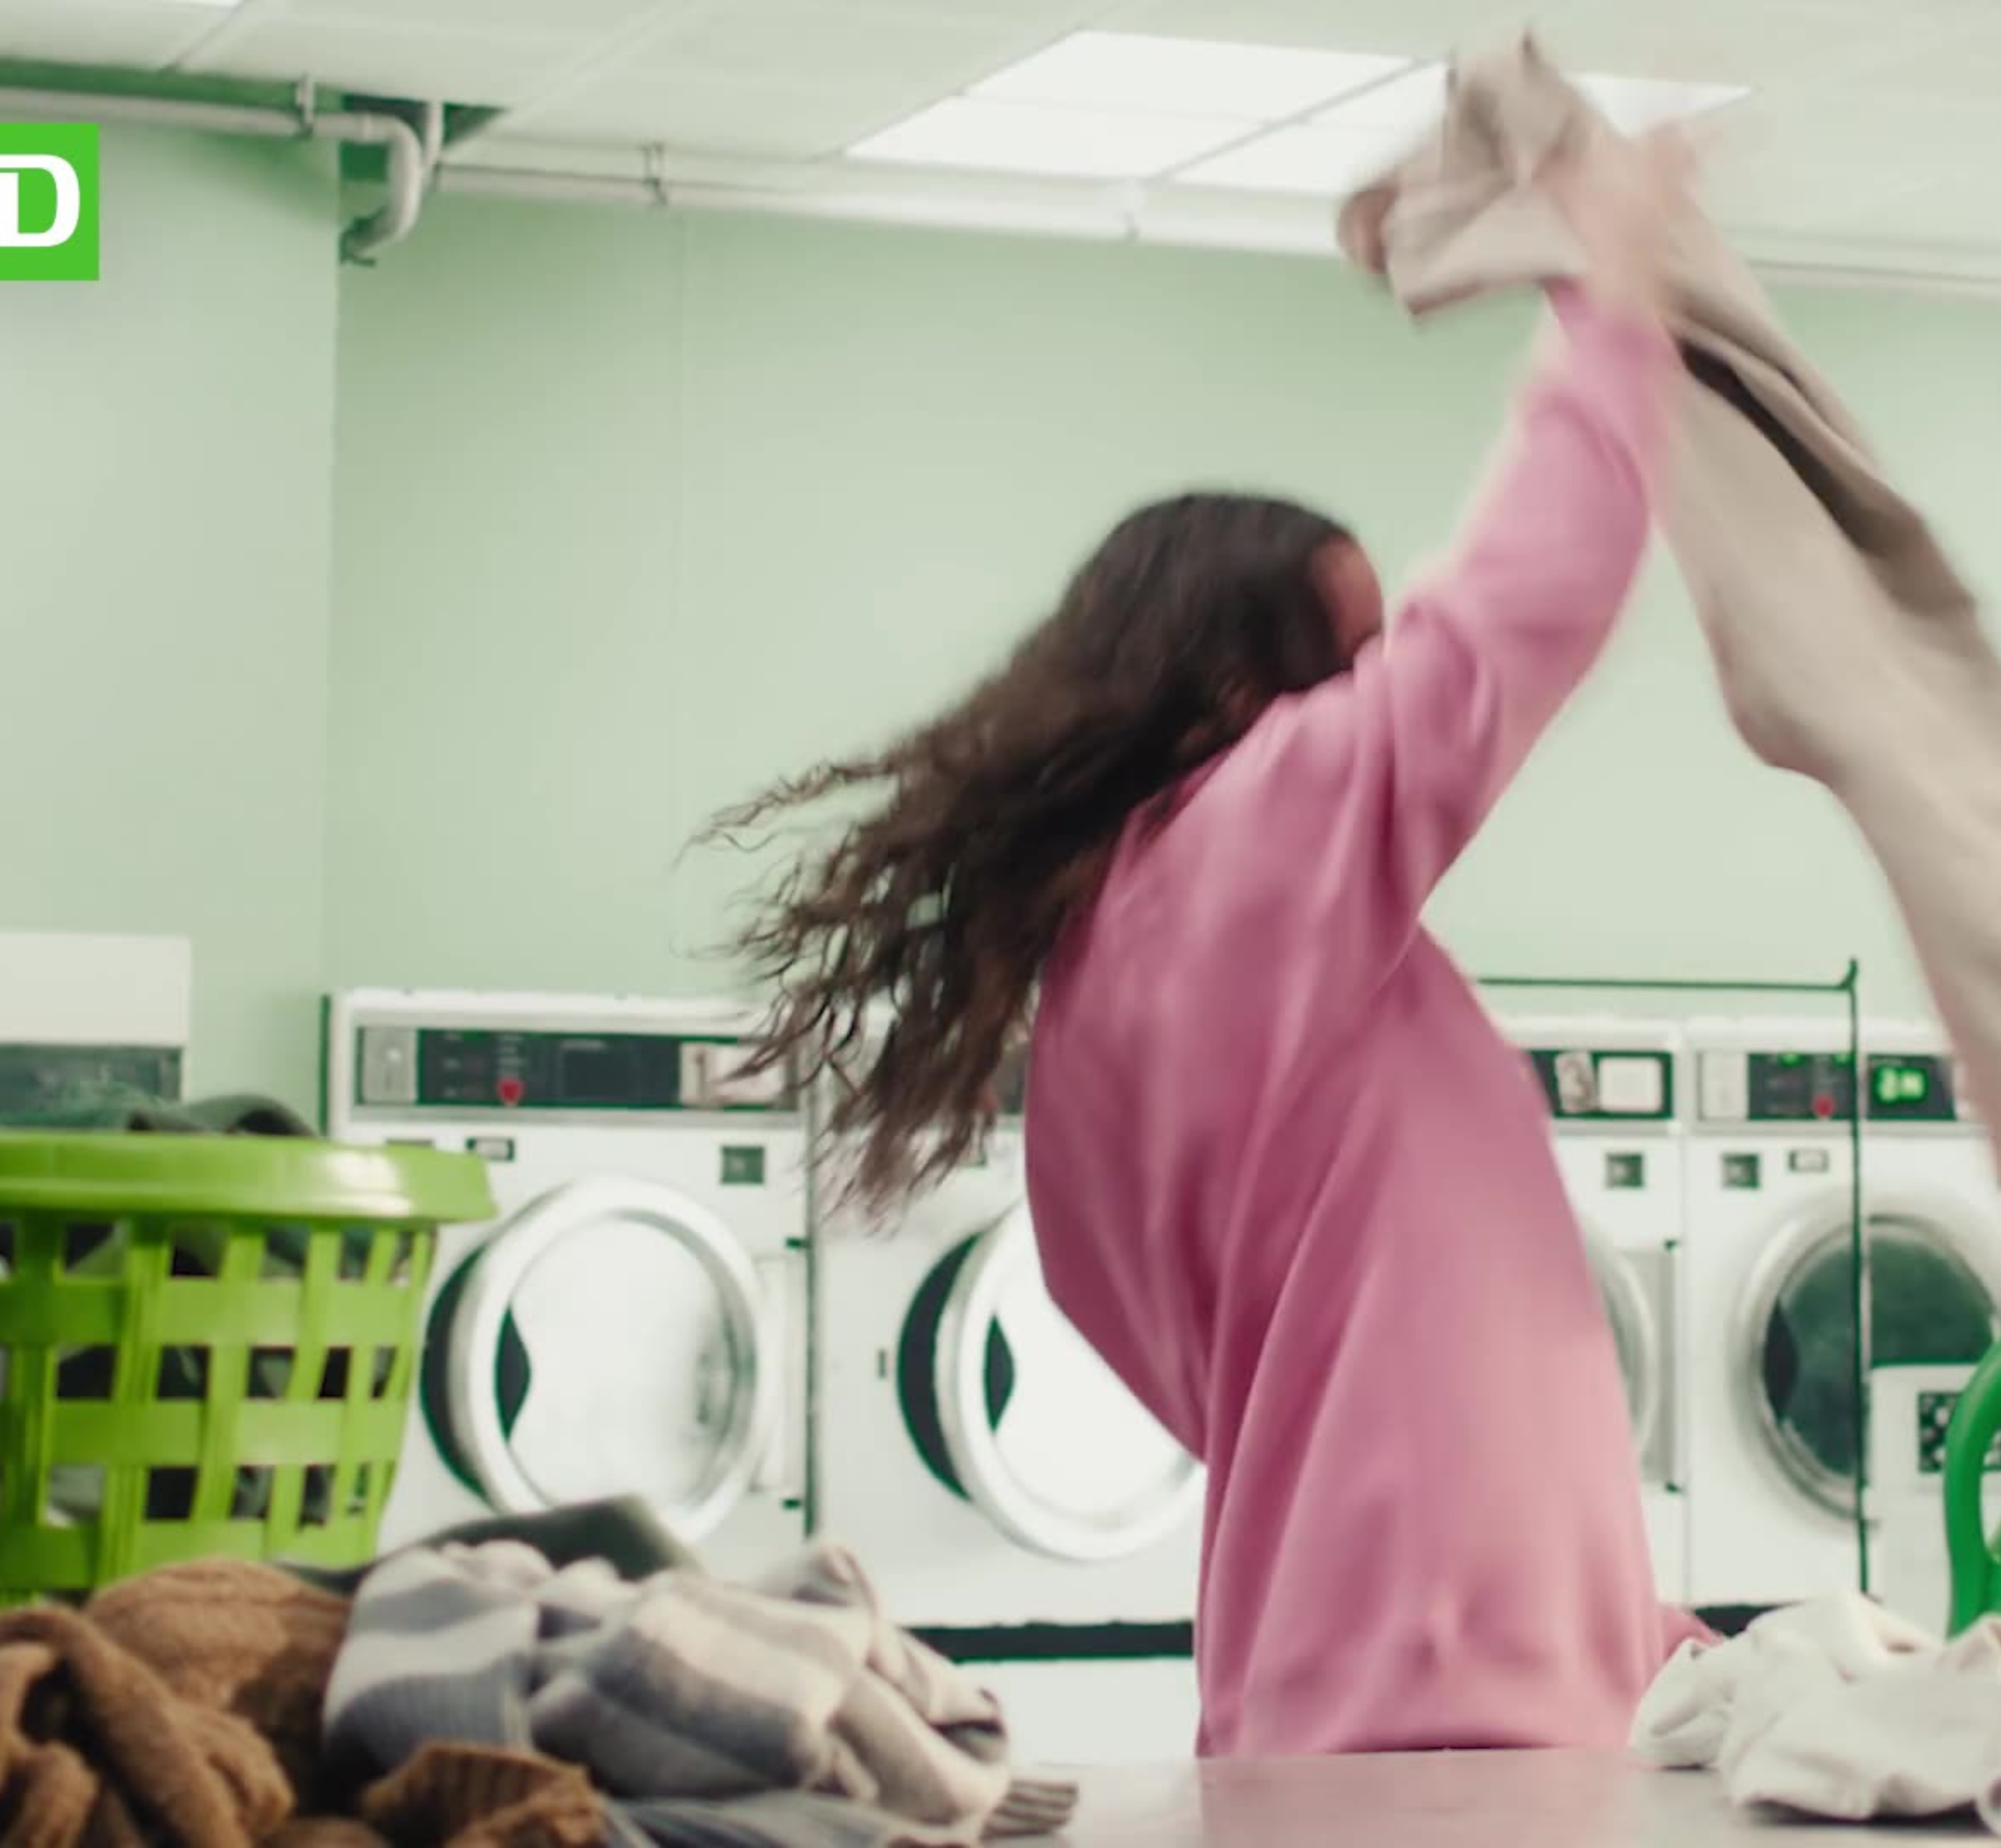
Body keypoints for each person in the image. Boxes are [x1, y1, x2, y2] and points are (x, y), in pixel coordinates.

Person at [714, 125, 1709, 1758]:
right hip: (1438, 1725)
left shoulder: (1113, 989)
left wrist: (1626, 1631)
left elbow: (1365, 1381)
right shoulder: (1246, 856)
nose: (1381, 696)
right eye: (1356, 656)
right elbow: (1521, 609)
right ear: (1241, 696)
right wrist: (1615, 300)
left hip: (1397, 1692)